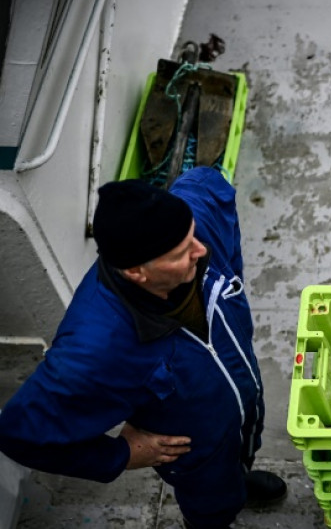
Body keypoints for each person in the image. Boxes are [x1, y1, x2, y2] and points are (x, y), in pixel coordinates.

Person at [0, 166, 286, 528]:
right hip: (197, 456)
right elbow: (20, 434)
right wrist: (122, 454)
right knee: (212, 504)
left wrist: (234, 274)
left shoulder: (192, 219)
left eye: (193, 236)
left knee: (243, 447)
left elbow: (209, 183)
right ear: (137, 272)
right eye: (183, 251)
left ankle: (239, 475)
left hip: (243, 403)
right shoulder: (93, 350)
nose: (201, 250)